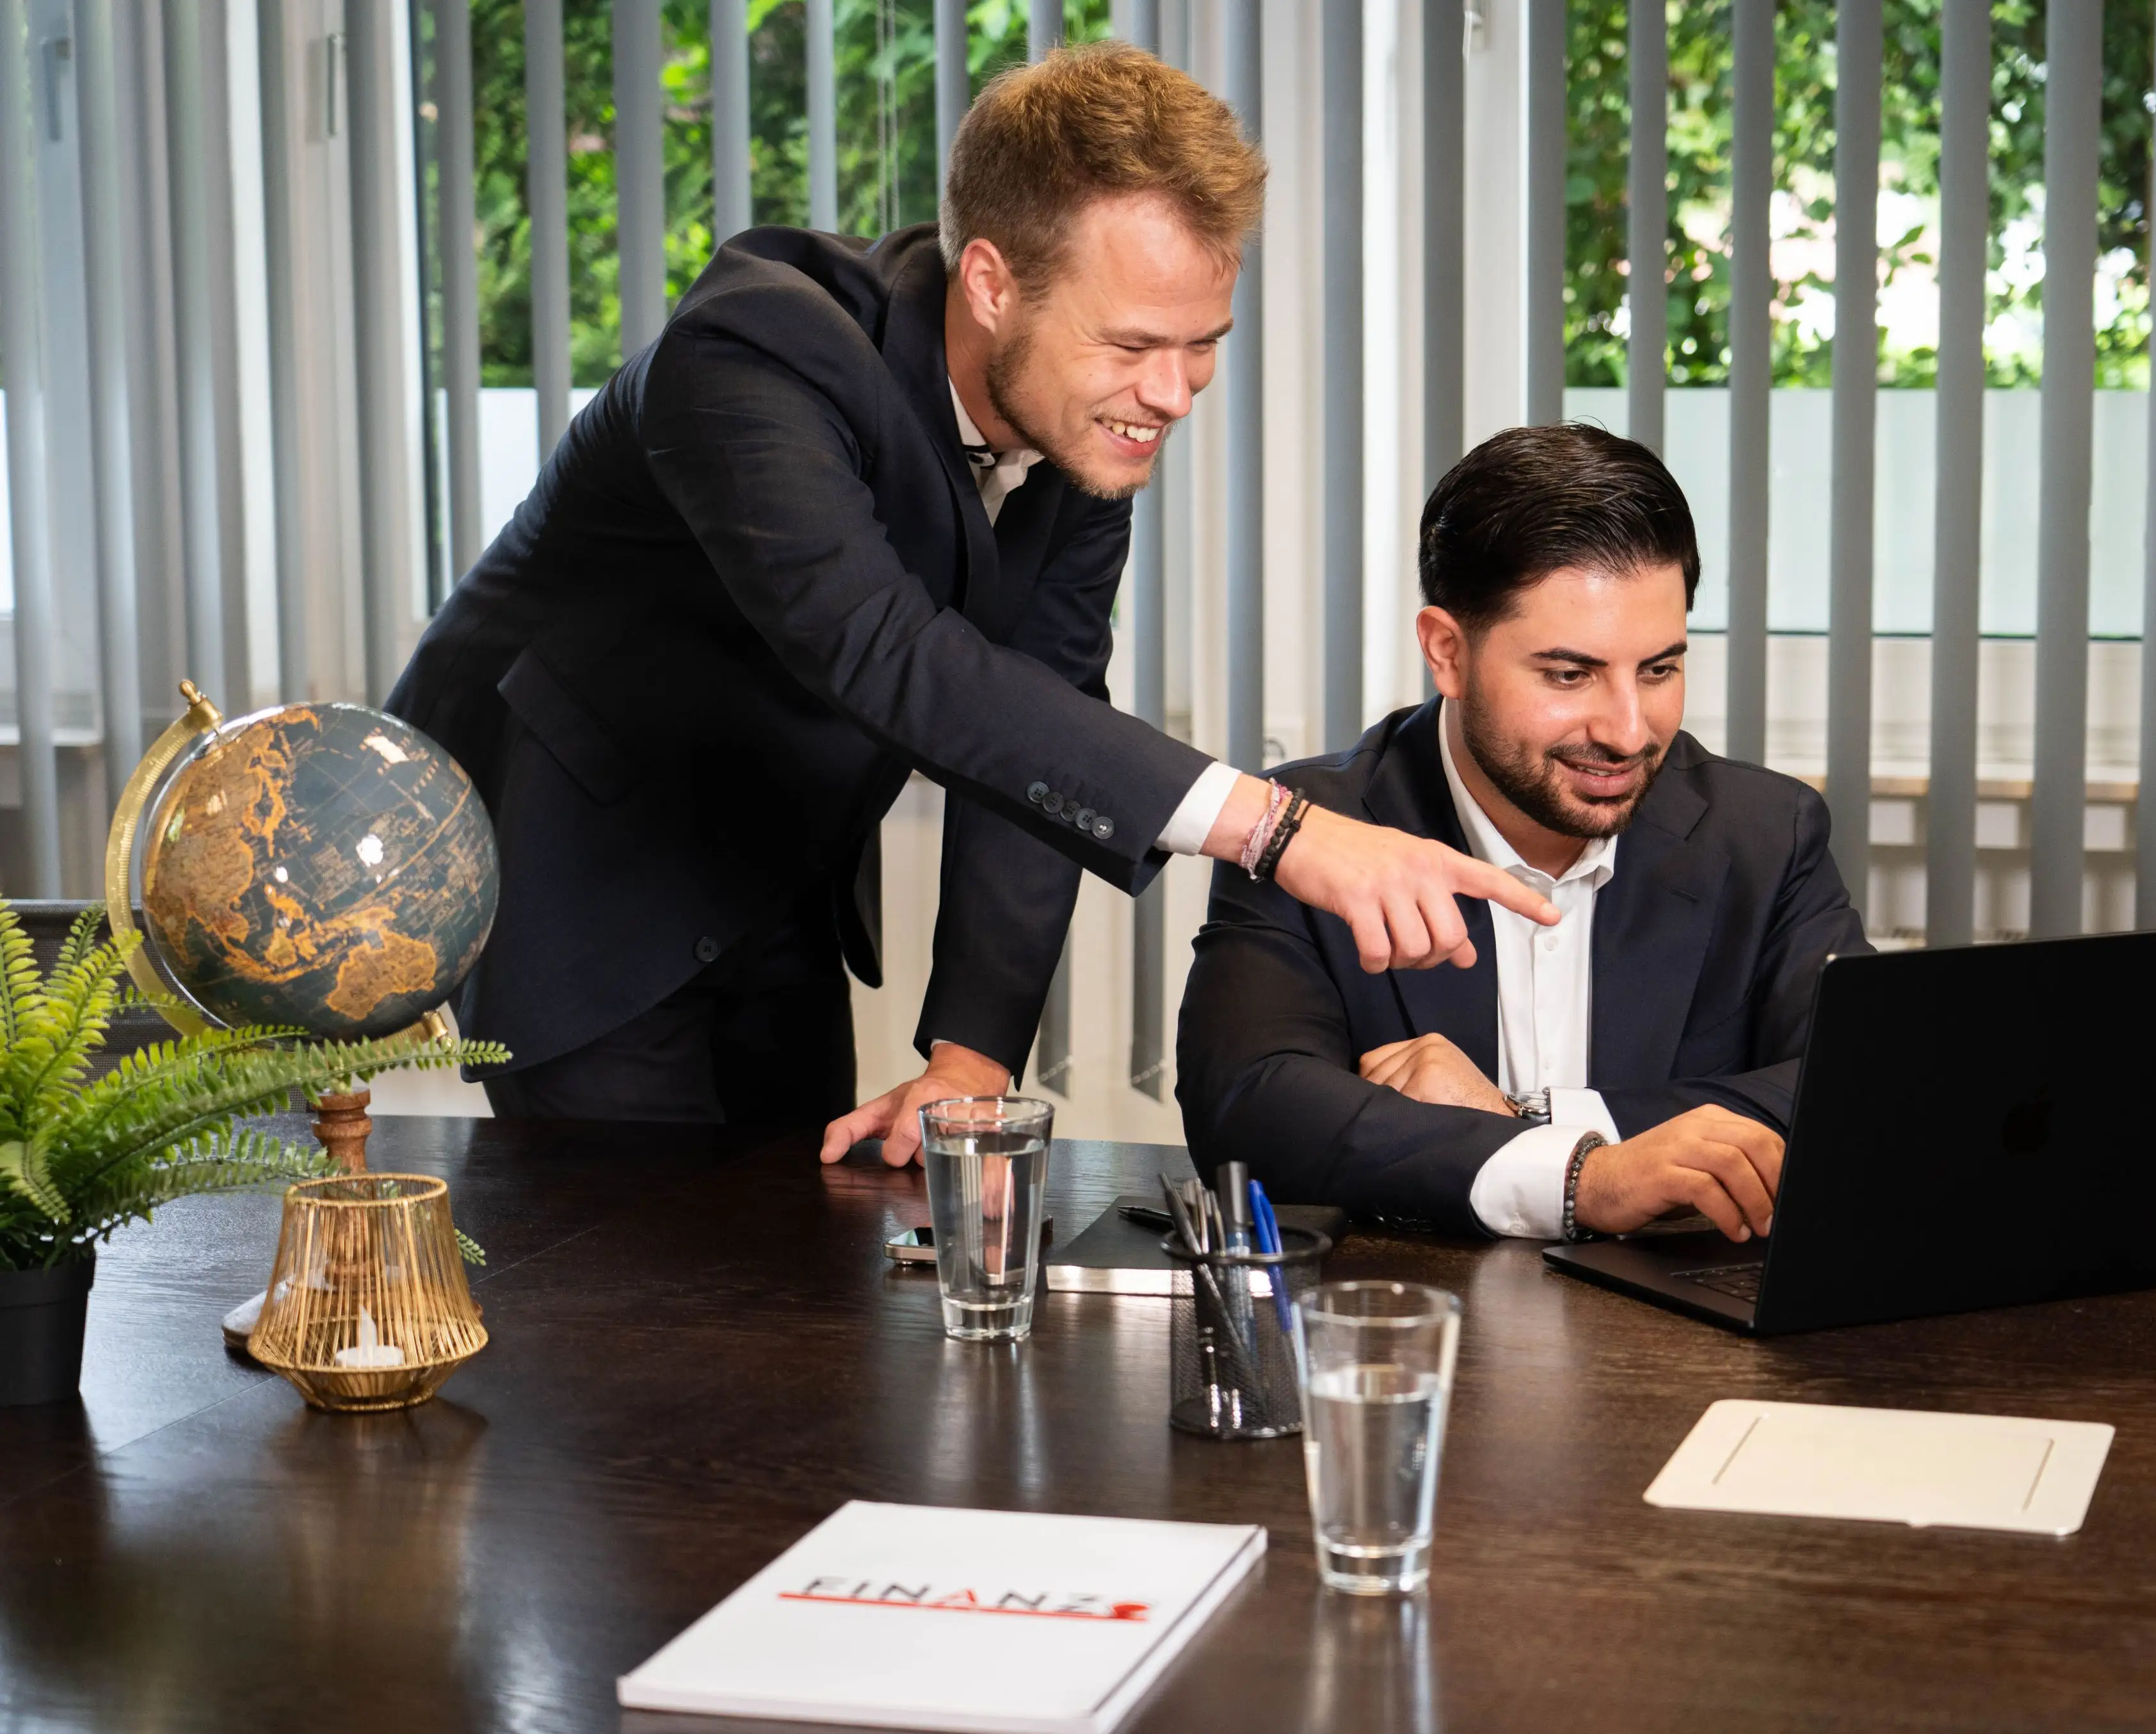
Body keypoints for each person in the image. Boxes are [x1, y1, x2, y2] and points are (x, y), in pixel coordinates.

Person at [387, 45, 1552, 1153]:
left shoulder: (1079, 418)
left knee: (801, 1275)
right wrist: (1279, 831)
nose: (1173, 392)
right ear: (991, 281)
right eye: (1137, 342)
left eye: (1204, 345)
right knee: (634, 1310)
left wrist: (974, 1055)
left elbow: (1035, 717)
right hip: (583, 865)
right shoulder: (753, 352)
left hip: (768, 865)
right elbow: (888, 652)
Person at [1175, 424, 1871, 1240]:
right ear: (1447, 653)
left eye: (1659, 669)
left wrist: (1536, 1123)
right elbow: (1247, 1110)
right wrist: (1585, 1176)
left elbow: (1856, 1097)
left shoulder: (1764, 833)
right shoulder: (1311, 831)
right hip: (1416, 1337)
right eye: (1569, 674)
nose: (1626, 730)